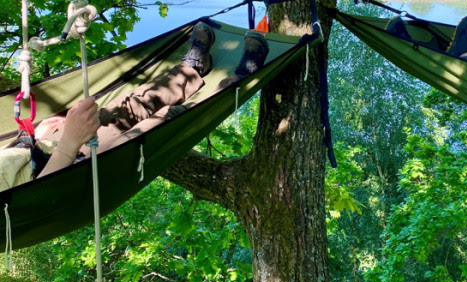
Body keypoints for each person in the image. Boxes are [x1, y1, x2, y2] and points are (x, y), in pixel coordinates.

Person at [0, 22, 270, 191]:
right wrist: (69, 143)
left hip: (42, 148)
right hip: (66, 171)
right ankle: (238, 82)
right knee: (162, 122)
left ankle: (192, 70)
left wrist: (38, 136)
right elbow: (41, 199)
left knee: (128, 106)